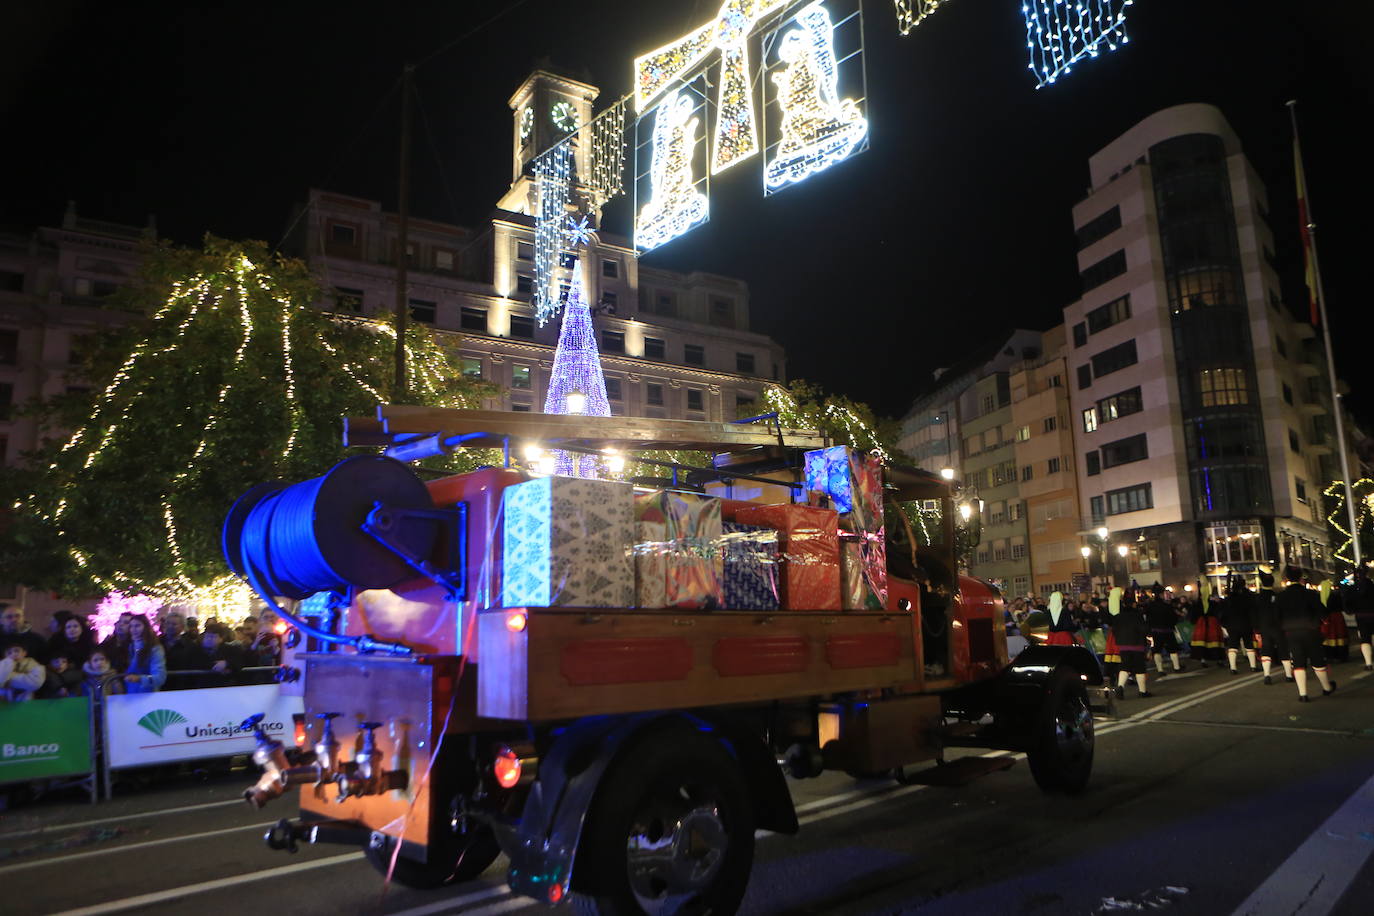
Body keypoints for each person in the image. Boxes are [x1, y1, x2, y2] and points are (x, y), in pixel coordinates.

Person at [1275, 565, 1335, 702]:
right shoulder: (1310, 594)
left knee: (1298, 662)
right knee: (1317, 660)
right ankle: (1326, 688)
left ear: (1287, 578)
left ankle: (1303, 694)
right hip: (1310, 630)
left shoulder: (1281, 596)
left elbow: (1277, 617)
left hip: (1291, 632)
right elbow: (1322, 612)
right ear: (1300, 577)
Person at [1108, 587, 1152, 699]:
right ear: (1133, 604)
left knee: (1125, 666)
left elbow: (1114, 630)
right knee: (1139, 667)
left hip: (1123, 645)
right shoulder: (1137, 615)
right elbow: (1143, 628)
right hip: (1136, 644)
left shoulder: (1118, 616)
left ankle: (1120, 687)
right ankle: (1142, 691)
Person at [1253, 567, 1294, 685]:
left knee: (1266, 650)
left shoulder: (1257, 598)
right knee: (1283, 650)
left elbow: (1255, 615)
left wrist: (1256, 630)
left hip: (1264, 628)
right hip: (1278, 627)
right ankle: (1288, 675)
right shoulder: (1279, 596)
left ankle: (1267, 675)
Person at [1220, 575, 1259, 675]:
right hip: (1246, 624)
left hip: (1232, 625)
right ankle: (1253, 666)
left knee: (1232, 646)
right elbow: (1253, 611)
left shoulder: (1229, 598)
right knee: (1249, 645)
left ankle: (1233, 668)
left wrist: (1225, 624)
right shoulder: (1248, 596)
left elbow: (1223, 612)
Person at [1146, 583, 1184, 675]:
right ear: (1160, 594)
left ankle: (1160, 670)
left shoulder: (1150, 606)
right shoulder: (1167, 606)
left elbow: (1148, 619)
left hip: (1156, 631)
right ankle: (1176, 667)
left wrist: (1149, 630)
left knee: (1157, 650)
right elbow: (1173, 618)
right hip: (1167, 630)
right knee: (1172, 649)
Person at [122, 614, 166, 693]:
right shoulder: (130, 646)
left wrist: (139, 678)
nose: (133, 629)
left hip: (147, 694)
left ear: (145, 627)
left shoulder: (154, 648)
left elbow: (160, 677)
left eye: (137, 626)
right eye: (131, 626)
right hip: (130, 693)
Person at [1343, 563, 1374, 672]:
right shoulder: (1372, 586)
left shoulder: (1353, 588)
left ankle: (1368, 663)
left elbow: (1347, 602)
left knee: (1365, 639)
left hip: (1361, 616)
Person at [0, 636, 48, 702]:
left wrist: (9, 677)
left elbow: (35, 683)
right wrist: (9, 663)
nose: (13, 654)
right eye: (9, 653)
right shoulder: (3, 664)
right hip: (5, 702)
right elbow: (0, 680)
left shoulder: (33, 664)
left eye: (16, 651)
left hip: (26, 702)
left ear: (24, 653)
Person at [1189, 582, 1224, 666]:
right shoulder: (1212, 603)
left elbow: (1192, 615)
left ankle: (1204, 660)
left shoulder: (1198, 604)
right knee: (1213, 642)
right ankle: (1217, 660)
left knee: (1203, 642)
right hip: (1210, 624)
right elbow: (1219, 612)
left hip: (1203, 624)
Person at [159, 610, 199, 676]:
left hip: (181, 683)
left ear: (182, 627)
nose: (170, 626)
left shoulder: (190, 646)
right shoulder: (156, 642)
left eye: (174, 624)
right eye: (168, 623)